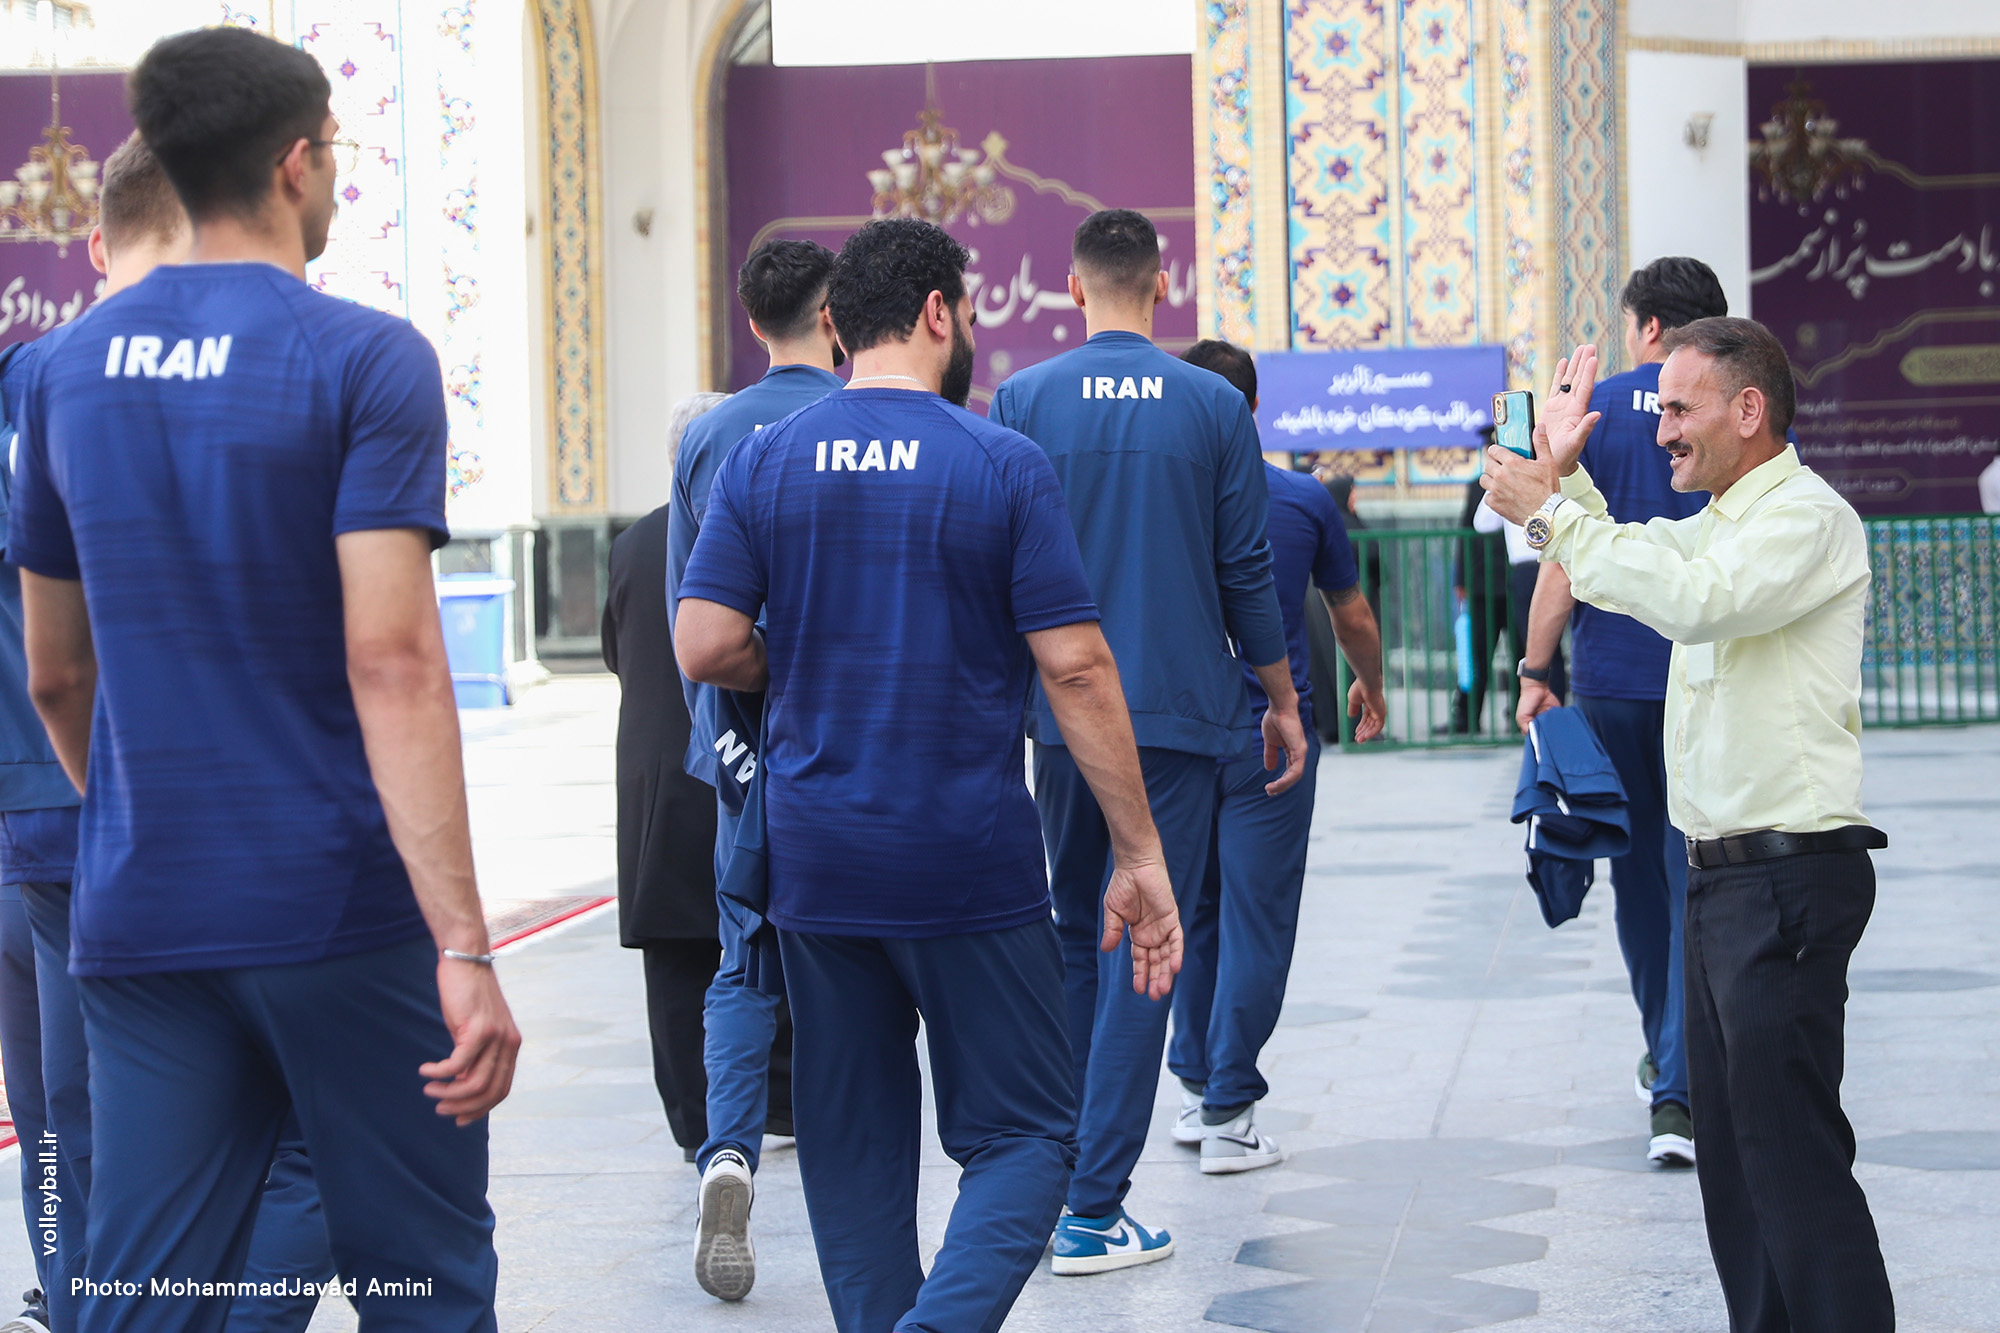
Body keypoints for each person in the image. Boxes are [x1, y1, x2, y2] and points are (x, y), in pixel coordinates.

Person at [12, 28, 519, 1330]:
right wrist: (463, 940)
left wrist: (139, 818)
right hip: (335, 905)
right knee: (422, 1277)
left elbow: (57, 671)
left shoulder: (64, 374)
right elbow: (393, 660)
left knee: (145, 1290)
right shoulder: (365, 358)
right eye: (335, 153)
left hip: (141, 910)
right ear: (297, 164)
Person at [674, 216, 1181, 1333]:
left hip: (815, 860)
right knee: (1029, 1134)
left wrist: (801, 659)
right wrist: (1138, 851)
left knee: (853, 1150)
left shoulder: (764, 458)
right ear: (940, 313)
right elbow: (1076, 668)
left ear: (835, 325)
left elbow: (704, 643)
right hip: (966, 860)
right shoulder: (998, 461)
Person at [1483, 321, 1892, 1333]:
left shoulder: (1806, 518)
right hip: (1722, 882)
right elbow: (1640, 559)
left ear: (1746, 410)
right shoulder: (1719, 520)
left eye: (1677, 408)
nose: (1661, 429)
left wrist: (1549, 513)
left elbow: (1696, 600)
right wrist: (1563, 482)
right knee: (1737, 1173)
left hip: (1788, 880)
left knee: (1792, 1163)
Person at [0, 133, 338, 1333]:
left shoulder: (29, 382)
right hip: (211, 818)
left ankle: (81, 1300)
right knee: (303, 1128)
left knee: (70, 1115)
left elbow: (55, 658)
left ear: (99, 244)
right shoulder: (281, 373)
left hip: (46, 819)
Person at [990, 208, 1304, 1271]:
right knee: (1148, 939)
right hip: (1174, 715)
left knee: (1077, 933)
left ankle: (1060, 1177)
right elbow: (1245, 569)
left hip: (1058, 718)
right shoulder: (1212, 404)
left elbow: (996, 565)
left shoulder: (1023, 399)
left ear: (1072, 287)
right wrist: (1280, 698)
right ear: (1162, 284)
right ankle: (1092, 1207)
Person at [1515, 256, 1728, 1168]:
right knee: (1696, 882)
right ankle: (1680, 1077)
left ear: (1645, 328)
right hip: (1702, 681)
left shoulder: (1589, 414)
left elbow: (1560, 560)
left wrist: (1535, 669)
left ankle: (1667, 1071)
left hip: (1610, 685)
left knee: (1638, 883)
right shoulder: (1731, 411)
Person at [666, 238, 845, 1300]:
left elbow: (693, 623)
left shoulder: (708, 436)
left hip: (747, 752)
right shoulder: (862, 419)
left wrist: (731, 753)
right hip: (856, 748)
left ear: (750, 321)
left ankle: (728, 1152)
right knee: (850, 969)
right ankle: (852, 1188)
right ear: (835, 316)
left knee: (743, 964)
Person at [1166, 340, 1386, 1172]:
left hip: (1179, 737)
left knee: (1195, 912)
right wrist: (1372, 684)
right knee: (1257, 917)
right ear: (1253, 408)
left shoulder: (1160, 501)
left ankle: (1197, 1087)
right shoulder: (1301, 499)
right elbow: (1350, 613)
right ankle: (1229, 1109)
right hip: (1273, 736)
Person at [601, 391, 726, 1167]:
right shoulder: (742, 524)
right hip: (735, 757)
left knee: (674, 958)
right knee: (759, 938)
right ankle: (774, 1101)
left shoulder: (633, 542)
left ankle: (693, 1119)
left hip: (656, 770)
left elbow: (616, 651)